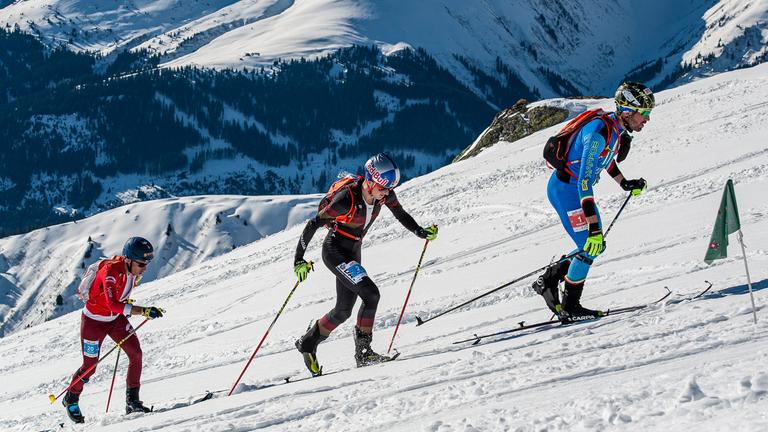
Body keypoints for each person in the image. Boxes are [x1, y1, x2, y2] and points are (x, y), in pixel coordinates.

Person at [293, 153, 438, 376]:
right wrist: (298, 261)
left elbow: (400, 213)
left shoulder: (383, 196)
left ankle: (308, 342)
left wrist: (419, 231)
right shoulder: (346, 199)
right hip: (335, 251)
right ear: (370, 181)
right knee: (371, 294)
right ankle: (364, 354)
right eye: (383, 187)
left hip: (353, 251)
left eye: (391, 187)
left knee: (343, 311)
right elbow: (313, 223)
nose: (387, 192)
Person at [532, 82, 654, 321]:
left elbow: (605, 160)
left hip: (574, 190)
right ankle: (569, 306)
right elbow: (584, 182)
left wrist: (624, 182)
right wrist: (594, 227)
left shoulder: (615, 128)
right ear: (628, 111)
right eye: (645, 113)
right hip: (567, 192)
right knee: (591, 244)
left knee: (594, 245)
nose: (647, 120)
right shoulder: (599, 133)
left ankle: (548, 280)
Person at [62, 237, 165, 423]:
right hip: (93, 323)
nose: (145, 268)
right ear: (128, 259)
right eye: (141, 263)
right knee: (90, 367)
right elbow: (112, 303)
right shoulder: (110, 271)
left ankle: (132, 402)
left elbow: (118, 300)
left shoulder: (132, 271)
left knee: (136, 354)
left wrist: (129, 305)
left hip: (115, 320)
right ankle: (71, 398)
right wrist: (142, 311)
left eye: (147, 263)